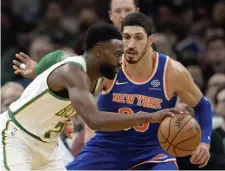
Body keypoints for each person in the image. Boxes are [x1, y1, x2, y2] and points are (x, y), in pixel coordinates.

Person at [13, 13, 212, 170]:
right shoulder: (110, 67)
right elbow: (69, 69)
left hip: (153, 151)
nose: (131, 44)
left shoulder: (172, 72)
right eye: (126, 37)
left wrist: (204, 142)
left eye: (138, 37)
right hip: (108, 146)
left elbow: (203, 105)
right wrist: (38, 70)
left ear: (150, 40)